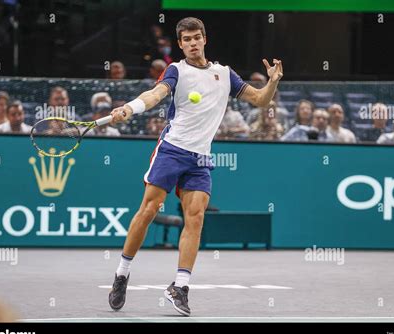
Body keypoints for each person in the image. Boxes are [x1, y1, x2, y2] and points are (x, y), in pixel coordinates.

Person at [108, 17, 283, 316]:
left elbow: (261, 101)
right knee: (149, 209)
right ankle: (122, 273)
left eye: (196, 37)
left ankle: (180, 287)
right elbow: (155, 94)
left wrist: (273, 82)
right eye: (186, 39)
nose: (192, 43)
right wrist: (130, 108)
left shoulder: (224, 74)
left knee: (196, 216)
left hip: (200, 157)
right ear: (180, 44)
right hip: (172, 150)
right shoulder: (177, 70)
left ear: (204, 39)